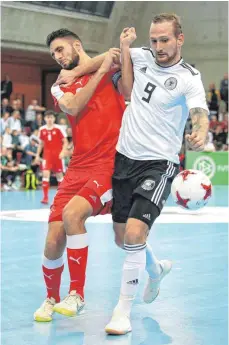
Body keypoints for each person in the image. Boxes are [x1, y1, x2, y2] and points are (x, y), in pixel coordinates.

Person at [105, 13, 209, 335]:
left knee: (136, 234)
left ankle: (122, 312)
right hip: (125, 158)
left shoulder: (189, 76)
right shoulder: (139, 56)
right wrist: (122, 48)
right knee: (123, 239)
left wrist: (201, 131)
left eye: (165, 40)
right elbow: (120, 81)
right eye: (153, 40)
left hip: (159, 163)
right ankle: (155, 269)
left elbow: (199, 112)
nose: (158, 47)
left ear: (180, 39)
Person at [33, 29, 125, 322]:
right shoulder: (60, 85)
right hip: (77, 168)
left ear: (77, 45)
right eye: (53, 55)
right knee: (52, 237)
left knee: (74, 216)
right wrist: (94, 72)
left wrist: (96, 69)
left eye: (61, 50)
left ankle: (77, 294)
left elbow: (116, 56)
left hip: (109, 166)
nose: (58, 57)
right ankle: (51, 298)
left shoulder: (110, 73)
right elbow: (73, 105)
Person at [35, 110, 68, 204]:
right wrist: (37, 155)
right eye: (48, 117)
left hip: (58, 156)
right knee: (45, 175)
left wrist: (63, 152)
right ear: (45, 118)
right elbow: (41, 144)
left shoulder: (59, 128)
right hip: (47, 156)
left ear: (54, 119)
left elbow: (65, 142)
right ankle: (45, 198)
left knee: (59, 176)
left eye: (51, 117)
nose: (49, 119)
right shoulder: (42, 129)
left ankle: (61, 197)